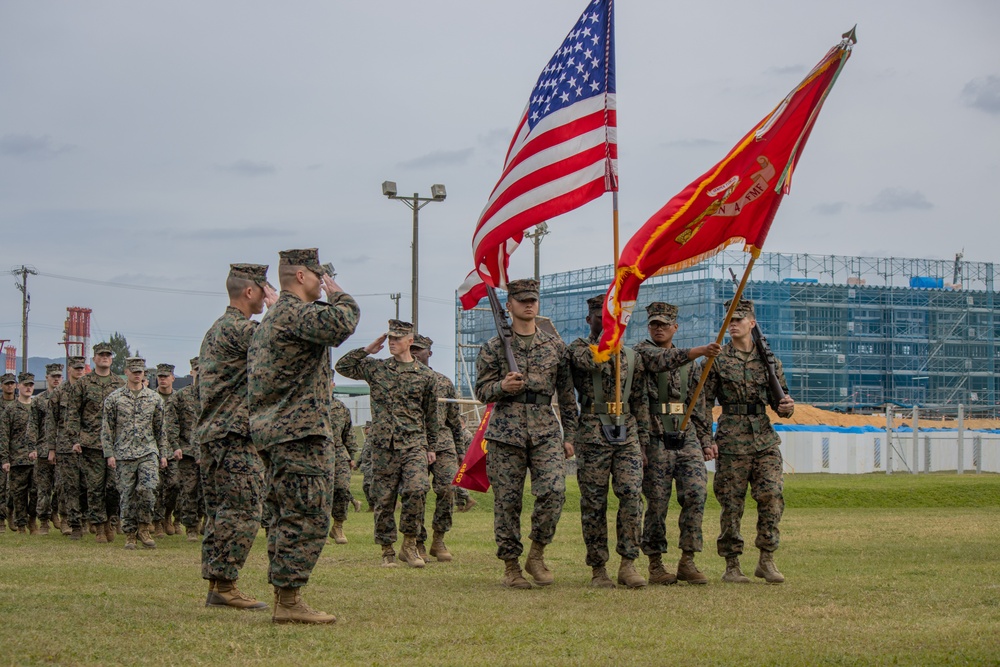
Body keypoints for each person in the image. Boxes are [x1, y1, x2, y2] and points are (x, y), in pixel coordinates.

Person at [249, 248, 359, 624]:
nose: (321, 281)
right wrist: (338, 292)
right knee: (307, 516)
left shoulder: (276, 316)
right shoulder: (296, 313)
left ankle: (285, 596)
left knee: (285, 515)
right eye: (318, 275)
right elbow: (345, 321)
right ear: (301, 275)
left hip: (276, 431)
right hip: (298, 432)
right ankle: (290, 599)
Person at [474, 278, 578, 589]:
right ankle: (511, 567)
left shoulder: (555, 347)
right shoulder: (494, 347)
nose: (528, 305)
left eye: (532, 299)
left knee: (554, 492)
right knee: (507, 502)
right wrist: (501, 387)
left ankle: (536, 553)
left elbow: (567, 395)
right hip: (506, 432)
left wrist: (570, 434)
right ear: (509, 306)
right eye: (521, 301)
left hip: (546, 430)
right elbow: (482, 391)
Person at [197, 263, 276, 611]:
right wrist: (281, 308)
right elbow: (276, 341)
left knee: (220, 511)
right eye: (265, 289)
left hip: (217, 433)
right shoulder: (238, 330)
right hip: (233, 433)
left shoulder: (218, 328)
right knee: (242, 509)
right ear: (250, 291)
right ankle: (226, 585)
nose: (267, 294)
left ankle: (218, 582)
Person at [704, 298, 794, 584]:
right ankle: (732, 565)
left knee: (771, 495)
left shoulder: (769, 360)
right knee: (731, 503)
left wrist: (787, 407)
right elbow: (703, 403)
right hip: (732, 439)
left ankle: (766, 559)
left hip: (764, 439)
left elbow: (780, 402)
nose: (732, 325)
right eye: (729, 320)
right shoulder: (718, 359)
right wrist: (706, 437)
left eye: (738, 320)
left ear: (752, 323)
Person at [336, 320, 438, 569]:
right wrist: (368, 349)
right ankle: (387, 549)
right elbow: (343, 366)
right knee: (384, 500)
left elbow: (431, 414)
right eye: (389, 338)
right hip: (383, 445)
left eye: (397, 338)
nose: (392, 342)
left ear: (409, 341)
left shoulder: (426, 376)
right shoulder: (377, 368)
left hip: (414, 443)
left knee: (417, 490)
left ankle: (410, 543)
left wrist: (431, 447)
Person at [634, 302, 721, 586]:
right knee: (657, 502)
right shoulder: (641, 354)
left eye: (664, 324)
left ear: (675, 327)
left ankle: (688, 559)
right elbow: (662, 360)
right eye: (654, 324)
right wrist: (699, 350)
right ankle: (655, 563)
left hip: (686, 438)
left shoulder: (692, 366)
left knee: (696, 494)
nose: (658, 328)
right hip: (655, 437)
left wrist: (706, 440)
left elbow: (700, 404)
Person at [567, 296, 650, 588]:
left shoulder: (631, 355)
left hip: (627, 431)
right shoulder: (577, 348)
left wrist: (644, 441)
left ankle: (628, 562)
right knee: (594, 502)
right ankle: (598, 567)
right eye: (599, 316)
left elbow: (639, 399)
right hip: (592, 431)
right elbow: (590, 361)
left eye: (612, 316)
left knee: (631, 494)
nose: (605, 321)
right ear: (589, 319)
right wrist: (607, 339)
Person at [101, 358, 169, 550]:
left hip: (148, 452)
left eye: (141, 371)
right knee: (127, 495)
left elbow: (160, 429)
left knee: (148, 490)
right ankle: (130, 533)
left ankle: (144, 528)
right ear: (127, 372)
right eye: (134, 371)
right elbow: (107, 429)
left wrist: (163, 454)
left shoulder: (154, 399)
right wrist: (109, 453)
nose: (138, 374)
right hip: (123, 453)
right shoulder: (114, 399)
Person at [410, 334, 465, 562]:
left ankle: (439, 538)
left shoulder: (444, 382)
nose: (414, 353)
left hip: (443, 445)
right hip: (414, 444)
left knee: (446, 489)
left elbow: (454, 420)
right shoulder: (404, 381)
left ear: (429, 353)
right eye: (411, 348)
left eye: (419, 349)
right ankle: (418, 541)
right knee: (417, 491)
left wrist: (461, 450)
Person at [66, 341, 125, 543]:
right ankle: (99, 526)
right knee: (94, 487)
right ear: (95, 358)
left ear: (112, 358)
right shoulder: (83, 383)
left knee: (114, 486)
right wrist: (75, 439)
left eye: (108, 355)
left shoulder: (119, 383)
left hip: (115, 444)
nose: (105, 358)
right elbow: (73, 413)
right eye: (101, 355)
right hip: (90, 443)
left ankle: (111, 520)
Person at [46, 356, 87, 538]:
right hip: (65, 446)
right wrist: (51, 449)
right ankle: (69, 520)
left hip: (87, 444)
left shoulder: (88, 389)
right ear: (69, 369)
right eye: (76, 368)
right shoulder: (59, 392)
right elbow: (51, 422)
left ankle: (85, 519)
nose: (79, 371)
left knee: (87, 485)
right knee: (67, 486)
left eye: (81, 368)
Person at [0, 372, 39, 533]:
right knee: (19, 493)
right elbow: (4, 435)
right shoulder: (11, 410)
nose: (28, 388)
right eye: (25, 385)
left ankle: (32, 519)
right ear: (19, 387)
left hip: (37, 457)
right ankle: (21, 523)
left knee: (37, 491)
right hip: (17, 458)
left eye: (31, 385)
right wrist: (5, 458)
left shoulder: (38, 407)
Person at [172, 358, 202, 542]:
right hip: (188, 451)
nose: (200, 372)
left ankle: (207, 522)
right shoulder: (182, 396)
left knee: (210, 491)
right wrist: (175, 446)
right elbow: (172, 423)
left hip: (209, 450)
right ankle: (191, 526)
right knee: (189, 490)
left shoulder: (215, 393)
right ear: (191, 372)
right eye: (197, 369)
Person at [32, 364, 64, 534]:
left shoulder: (66, 398)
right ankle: (43, 519)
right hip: (43, 450)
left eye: (59, 376)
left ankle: (56, 512)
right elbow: (33, 426)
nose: (56, 379)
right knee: (44, 488)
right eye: (53, 376)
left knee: (61, 486)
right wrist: (33, 448)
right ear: (47, 378)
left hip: (62, 449)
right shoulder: (38, 400)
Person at [327, 379, 359, 545]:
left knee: (342, 488)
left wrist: (352, 455)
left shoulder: (340, 408)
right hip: (316, 453)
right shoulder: (310, 406)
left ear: (333, 384)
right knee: (320, 492)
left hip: (339, 452)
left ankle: (338, 526)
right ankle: (321, 529)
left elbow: (348, 433)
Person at [153, 364, 183, 537]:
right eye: (160, 376)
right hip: (155, 449)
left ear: (173, 378)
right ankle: (156, 522)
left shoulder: (179, 399)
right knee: (156, 486)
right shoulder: (150, 397)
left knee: (174, 485)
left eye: (166, 376)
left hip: (173, 449)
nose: (163, 379)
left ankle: (167, 515)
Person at [0, 372, 17, 533]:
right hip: (1, 449)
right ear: (1, 386)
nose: (9, 386)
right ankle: (1, 521)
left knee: (13, 488)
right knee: (1, 487)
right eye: (7, 383)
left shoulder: (20, 404)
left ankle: (11, 514)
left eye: (12, 383)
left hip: (16, 451)